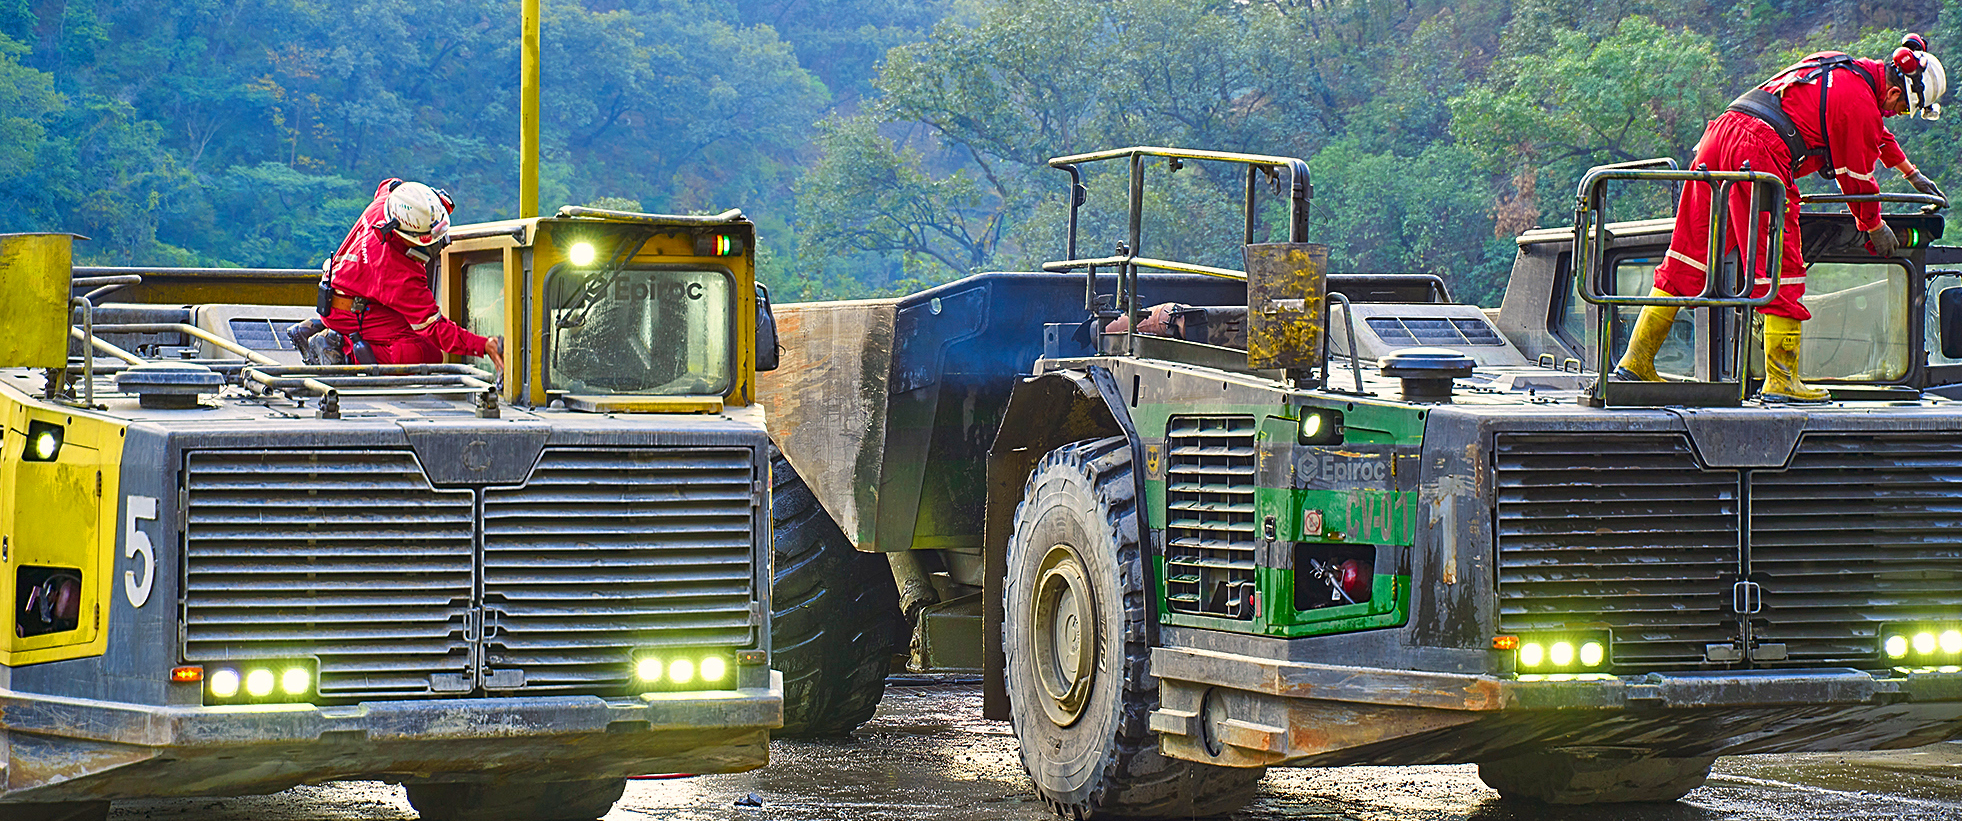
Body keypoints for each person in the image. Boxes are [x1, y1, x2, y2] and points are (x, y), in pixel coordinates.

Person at [1613, 33, 1947, 402]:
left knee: (1690, 254)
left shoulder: (1844, 68)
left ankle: (1635, 361)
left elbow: (1874, 133)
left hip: (1720, 138)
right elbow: (1855, 177)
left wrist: (1910, 172)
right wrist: (1873, 225)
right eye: (1901, 110)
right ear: (1897, 94)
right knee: (1779, 263)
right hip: (1759, 152)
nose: (1894, 116)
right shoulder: (1859, 102)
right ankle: (1781, 380)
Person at [306, 179, 505, 369]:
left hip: (345, 295)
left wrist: (424, 201)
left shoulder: (386, 202)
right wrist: (483, 345)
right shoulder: (398, 271)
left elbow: (390, 183)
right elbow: (434, 328)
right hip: (350, 314)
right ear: (404, 236)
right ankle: (341, 349)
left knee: (413, 334)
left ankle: (325, 330)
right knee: (425, 353)